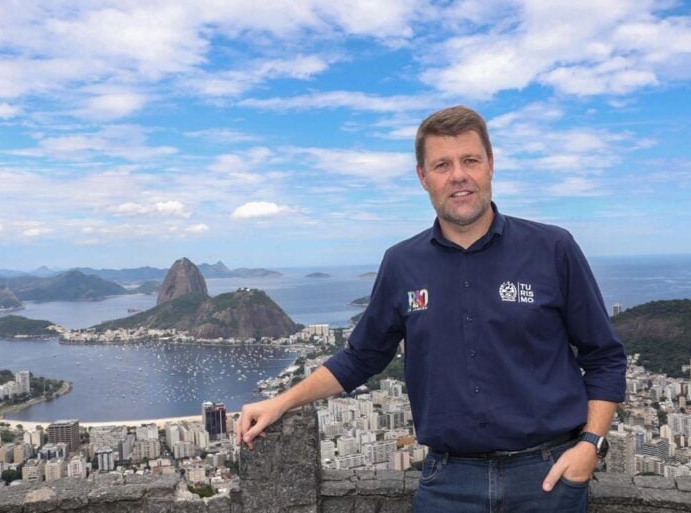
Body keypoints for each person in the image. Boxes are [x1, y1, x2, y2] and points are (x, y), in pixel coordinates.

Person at [237, 105, 627, 512]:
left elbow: (605, 356)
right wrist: (281, 402)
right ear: (423, 177)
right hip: (449, 482)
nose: (458, 175)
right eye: (442, 165)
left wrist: (590, 444)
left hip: (547, 476)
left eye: (470, 160)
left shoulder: (552, 248)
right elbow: (360, 357)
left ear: (490, 165)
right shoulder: (402, 263)